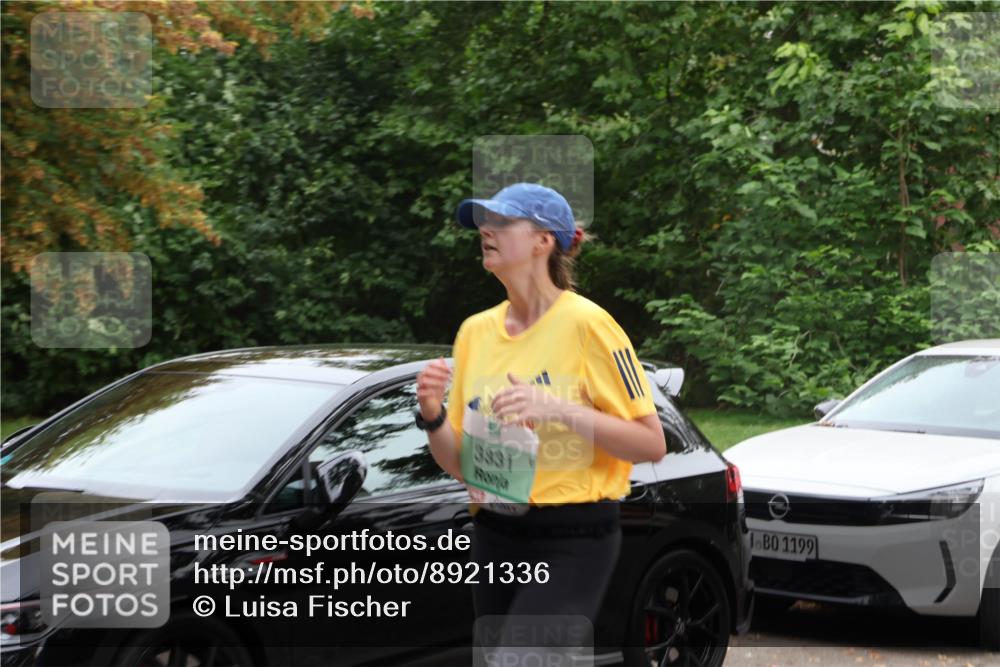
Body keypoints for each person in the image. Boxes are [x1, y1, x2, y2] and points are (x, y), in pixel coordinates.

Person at [414, 182, 666, 664]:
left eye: (504, 222)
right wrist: (432, 414)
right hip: (494, 531)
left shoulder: (589, 325)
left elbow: (650, 444)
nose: (486, 231)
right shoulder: (475, 333)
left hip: (573, 537)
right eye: (482, 224)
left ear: (542, 240)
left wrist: (557, 409)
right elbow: (463, 466)